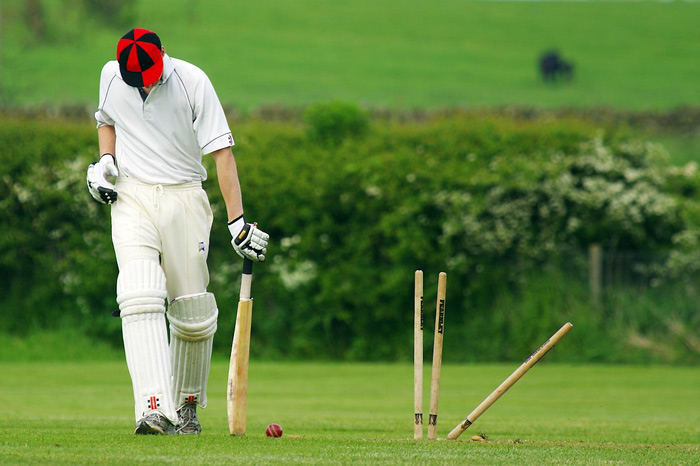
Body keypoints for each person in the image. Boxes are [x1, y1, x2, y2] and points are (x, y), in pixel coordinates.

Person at [86, 28, 268, 435]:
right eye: (138, 78)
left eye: (150, 73)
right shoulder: (112, 76)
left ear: (163, 54)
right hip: (131, 195)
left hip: (184, 195)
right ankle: (153, 409)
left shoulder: (192, 81)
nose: (146, 83)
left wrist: (236, 221)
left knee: (192, 312)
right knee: (139, 293)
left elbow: (222, 153)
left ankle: (186, 406)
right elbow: (106, 122)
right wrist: (105, 163)